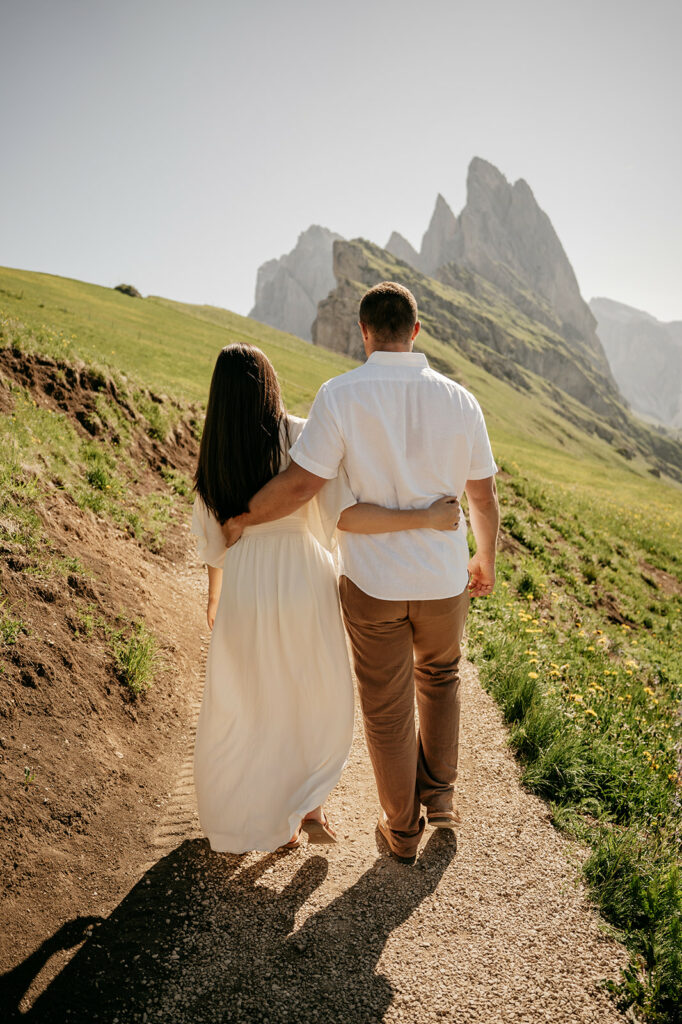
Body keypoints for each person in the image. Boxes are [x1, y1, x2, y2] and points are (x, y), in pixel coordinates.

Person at [222, 283, 500, 864]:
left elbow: (303, 484)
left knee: (387, 704)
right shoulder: (461, 399)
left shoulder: (340, 395)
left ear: (365, 332)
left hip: (372, 584)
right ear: (416, 331)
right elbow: (484, 496)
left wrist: (243, 517)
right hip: (444, 580)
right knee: (442, 677)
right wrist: (484, 558)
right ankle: (442, 798)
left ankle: (401, 830)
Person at [191, 343, 460, 854]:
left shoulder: (216, 452)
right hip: (302, 571)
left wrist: (215, 598)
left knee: (249, 699)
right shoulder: (299, 433)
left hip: (246, 580)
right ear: (270, 382)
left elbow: (215, 541)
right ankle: (310, 805)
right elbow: (336, 509)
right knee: (314, 691)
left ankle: (255, 815)